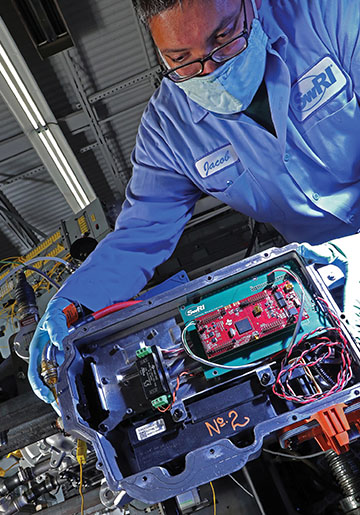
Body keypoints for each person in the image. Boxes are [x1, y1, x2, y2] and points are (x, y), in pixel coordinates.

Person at [28, 0, 360, 405]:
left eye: (224, 37)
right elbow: (140, 236)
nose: (212, 69)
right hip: (331, 289)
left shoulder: (330, 15)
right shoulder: (168, 131)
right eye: (181, 59)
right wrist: (71, 305)